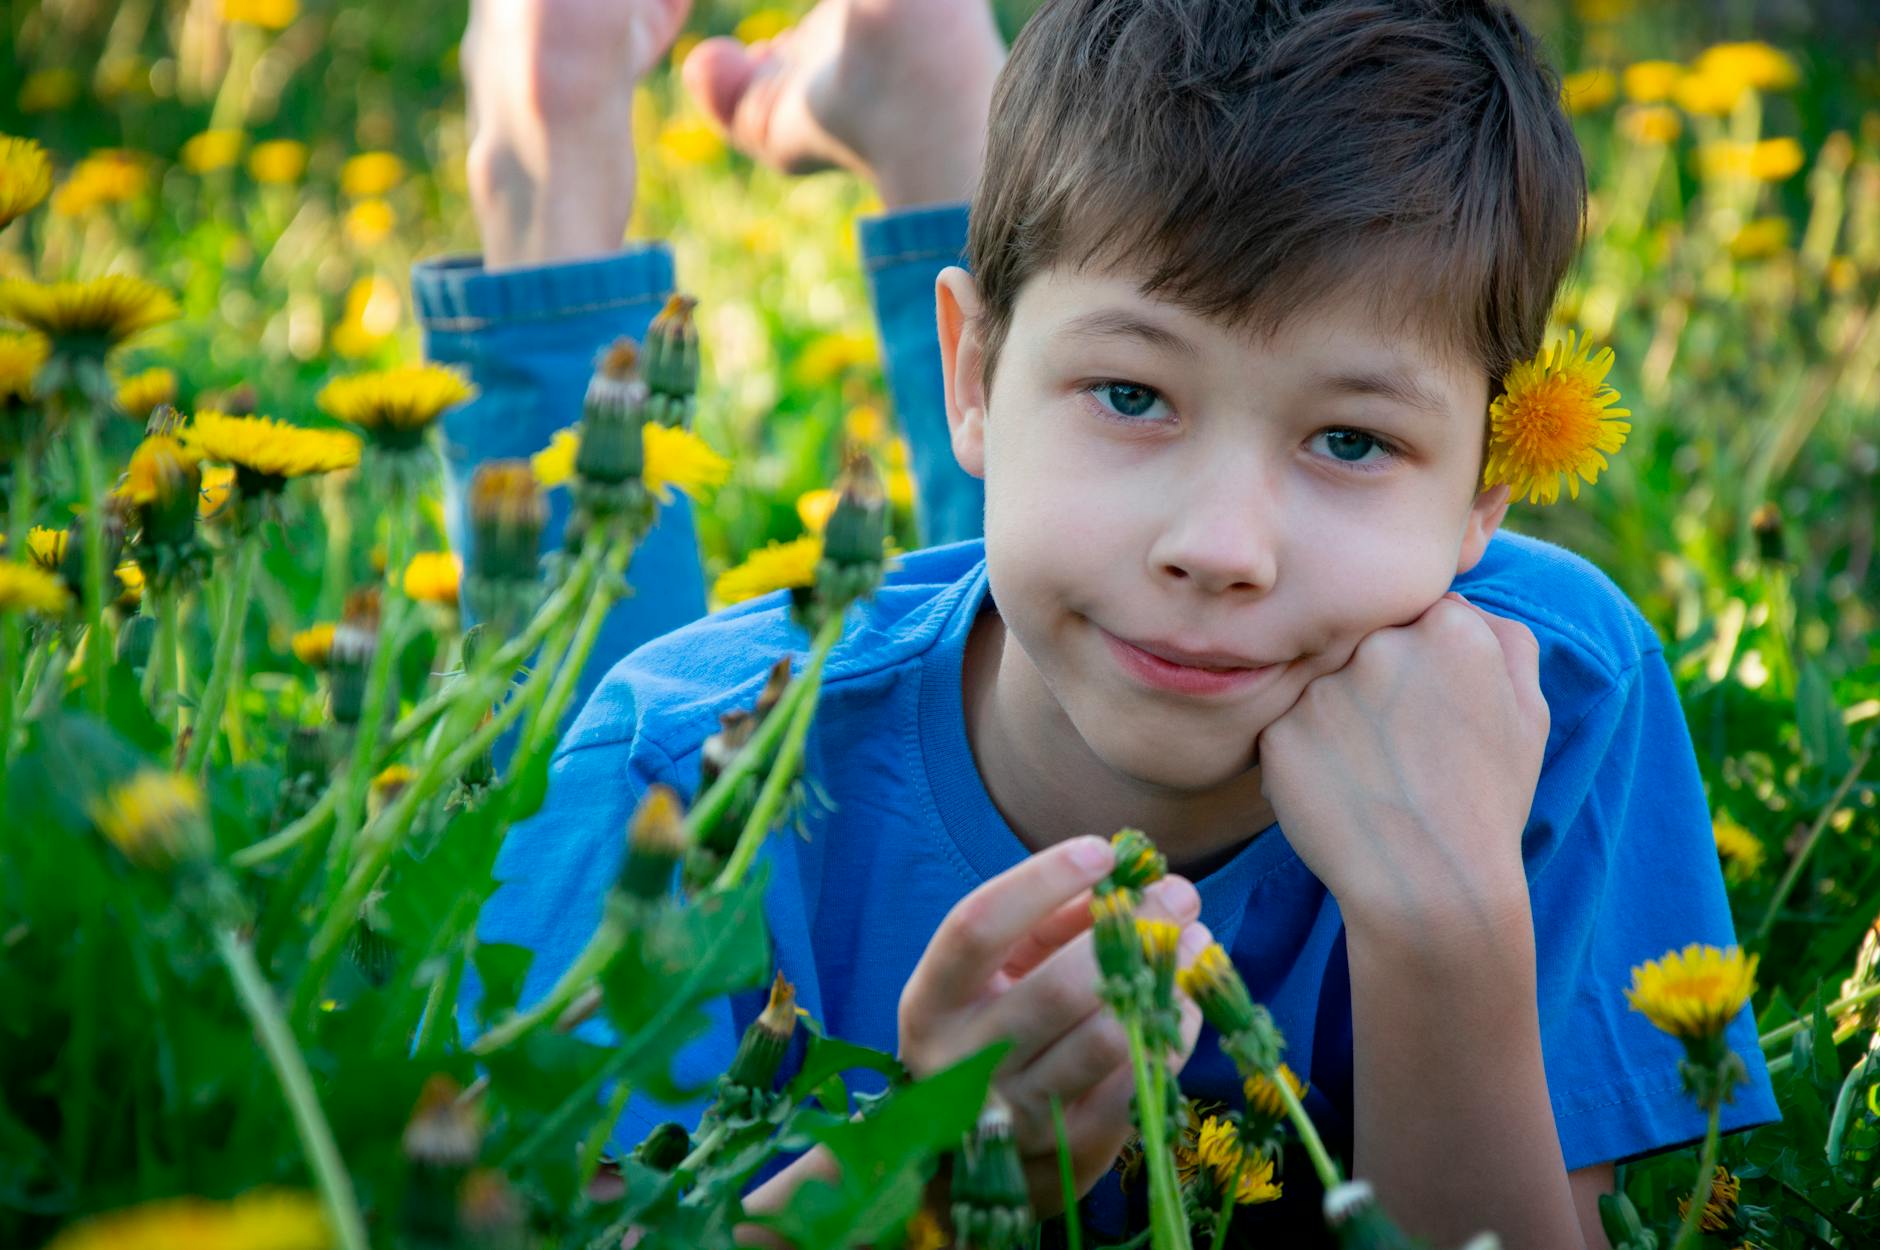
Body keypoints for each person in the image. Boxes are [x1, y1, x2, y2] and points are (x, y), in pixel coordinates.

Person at [417, 0, 1781, 1245]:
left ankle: (930, 91)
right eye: (1133, 396)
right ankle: (556, 128)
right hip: (766, 707)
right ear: (970, 368)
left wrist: (1448, 932)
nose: (1223, 548)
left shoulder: (1551, 696)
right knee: (596, 613)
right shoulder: (671, 749)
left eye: (1352, 439)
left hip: (1059, 544)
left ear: (1487, 493)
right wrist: (919, 1165)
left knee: (1083, 536)